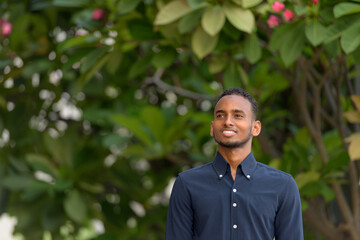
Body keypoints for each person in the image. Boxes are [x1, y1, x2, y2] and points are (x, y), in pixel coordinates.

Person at [165, 88, 303, 240]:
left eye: (238, 115)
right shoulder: (187, 184)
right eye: (220, 115)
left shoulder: (283, 185)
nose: (228, 122)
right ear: (212, 128)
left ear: (255, 128)